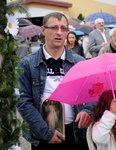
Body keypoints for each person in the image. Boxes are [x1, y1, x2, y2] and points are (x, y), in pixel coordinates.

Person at [16, 12, 96, 150]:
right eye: (54, 28)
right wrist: (46, 133)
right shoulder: (27, 64)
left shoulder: (79, 62)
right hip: (43, 134)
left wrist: (88, 111)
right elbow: (23, 102)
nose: (59, 32)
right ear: (43, 30)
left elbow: (93, 92)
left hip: (75, 133)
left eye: (63, 28)